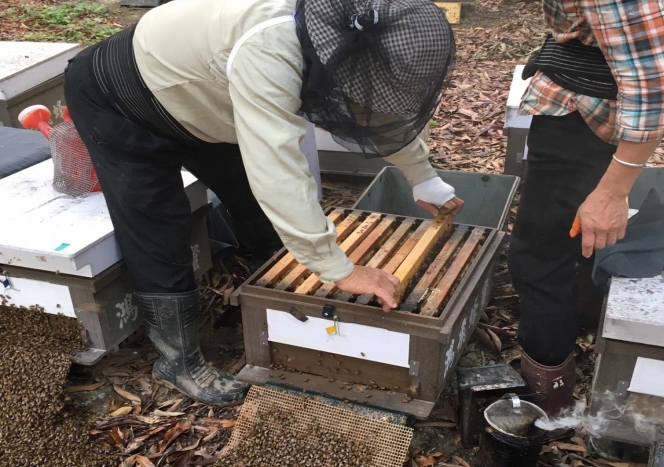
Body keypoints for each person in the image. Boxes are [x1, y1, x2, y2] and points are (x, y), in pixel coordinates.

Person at [63, 0, 462, 406]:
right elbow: (279, 171)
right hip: (117, 97)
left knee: (254, 201)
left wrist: (423, 177)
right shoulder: (269, 49)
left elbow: (376, 112)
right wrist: (339, 270)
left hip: (204, 96)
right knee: (157, 227)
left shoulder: (344, 36)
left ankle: (271, 303)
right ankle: (177, 360)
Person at [510, 0, 664, 414]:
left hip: (585, 114)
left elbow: (660, 88)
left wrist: (612, 191)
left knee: (537, 259)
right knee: (578, 239)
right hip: (592, 103)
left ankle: (547, 398)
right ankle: (582, 324)